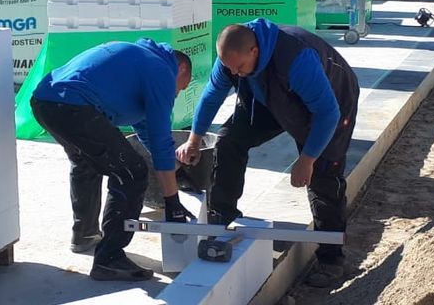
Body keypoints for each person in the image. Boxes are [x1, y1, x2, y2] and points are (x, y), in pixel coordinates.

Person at [176, 20, 359, 281]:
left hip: (331, 103)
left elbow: (327, 113)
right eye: (230, 68)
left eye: (239, 67)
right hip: (269, 94)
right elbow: (211, 96)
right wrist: (193, 140)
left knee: (322, 174)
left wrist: (307, 159)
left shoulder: (296, 58)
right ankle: (222, 220)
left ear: (254, 51)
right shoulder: (233, 59)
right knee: (229, 141)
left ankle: (332, 260)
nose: (235, 73)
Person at [31, 41, 195, 282]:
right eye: (182, 87)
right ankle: (109, 259)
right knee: (132, 172)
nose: (177, 93)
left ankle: (85, 235)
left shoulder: (139, 60)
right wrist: (172, 201)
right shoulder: (162, 70)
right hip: (74, 106)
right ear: (181, 69)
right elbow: (160, 137)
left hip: (46, 102)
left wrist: (173, 167)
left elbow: (147, 129)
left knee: (86, 162)